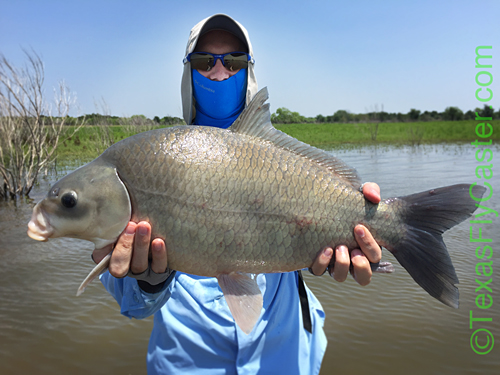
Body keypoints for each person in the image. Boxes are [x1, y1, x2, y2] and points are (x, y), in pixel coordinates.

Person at [92, 14, 382, 375]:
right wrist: (147, 281)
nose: (218, 73)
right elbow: (134, 307)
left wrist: (343, 239)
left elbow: (315, 234)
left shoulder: (283, 162)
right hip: (187, 362)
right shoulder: (152, 164)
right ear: (188, 73)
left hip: (286, 358)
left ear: (249, 71)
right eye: (204, 62)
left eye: (233, 62)